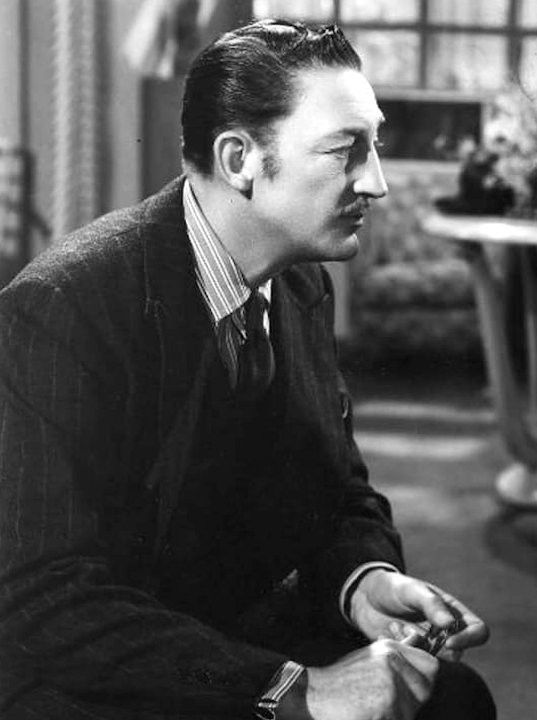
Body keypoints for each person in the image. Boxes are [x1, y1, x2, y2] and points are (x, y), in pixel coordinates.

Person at [0, 19, 494, 720]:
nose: (376, 183)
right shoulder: (65, 307)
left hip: (227, 631)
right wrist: (290, 688)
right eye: (345, 150)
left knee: (450, 697)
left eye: (374, 146)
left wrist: (363, 581)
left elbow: (337, 489)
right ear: (239, 159)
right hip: (97, 669)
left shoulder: (299, 283)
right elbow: (42, 594)